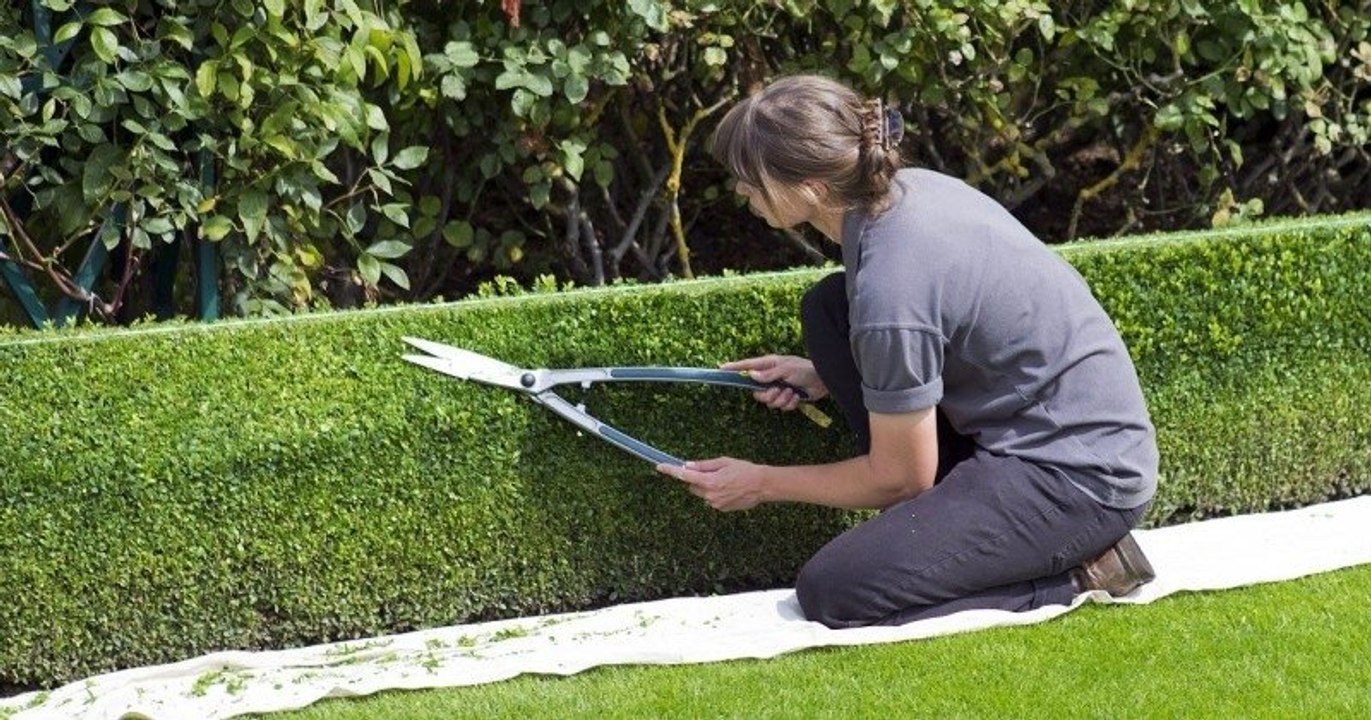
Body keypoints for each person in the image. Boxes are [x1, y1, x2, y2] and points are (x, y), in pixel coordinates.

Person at [655, 74, 1159, 628]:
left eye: (750, 179)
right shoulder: (904, 193)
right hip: (1046, 432)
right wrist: (821, 373)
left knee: (833, 591)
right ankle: (949, 534)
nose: (741, 192)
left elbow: (901, 479)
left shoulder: (891, 287)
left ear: (813, 187)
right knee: (828, 311)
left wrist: (762, 481)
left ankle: (1081, 573)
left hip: (1079, 478)